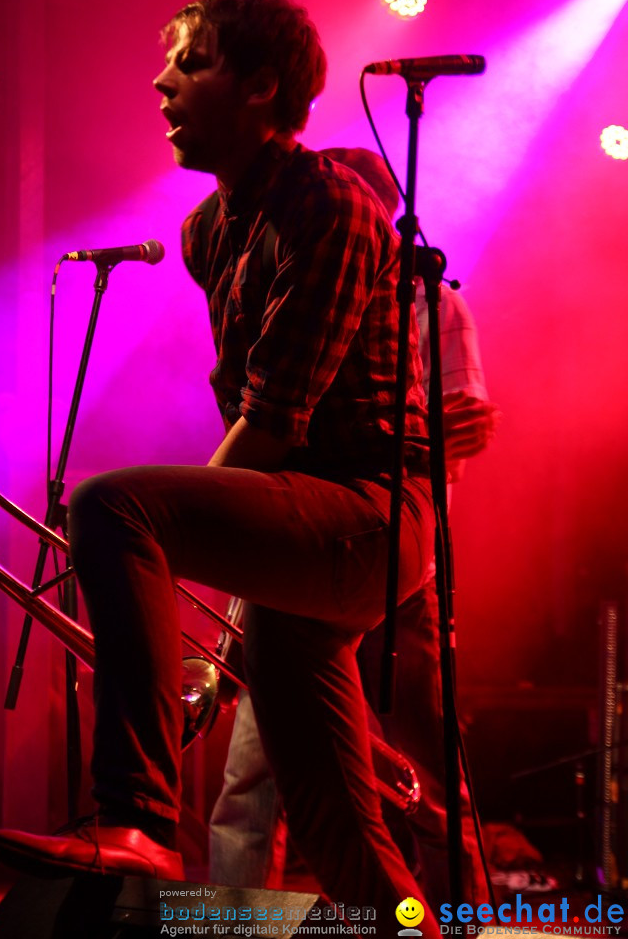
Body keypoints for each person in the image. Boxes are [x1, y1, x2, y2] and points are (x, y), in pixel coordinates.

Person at [0, 0, 442, 937]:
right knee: (340, 824)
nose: (160, 82)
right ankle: (412, 931)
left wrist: (216, 645)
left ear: (264, 88)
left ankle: (142, 823)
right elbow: (259, 448)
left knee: (115, 506)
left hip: (369, 520)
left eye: (190, 64)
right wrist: (231, 638)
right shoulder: (210, 234)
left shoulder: (333, 207)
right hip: (302, 527)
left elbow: (270, 423)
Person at [208, 147, 499, 909]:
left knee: (431, 773)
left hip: (390, 563)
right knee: (253, 778)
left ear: (382, 215)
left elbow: (455, 449)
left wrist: (423, 439)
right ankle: (238, 927)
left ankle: (458, 920)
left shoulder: (435, 305)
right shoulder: (293, 285)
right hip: (302, 553)